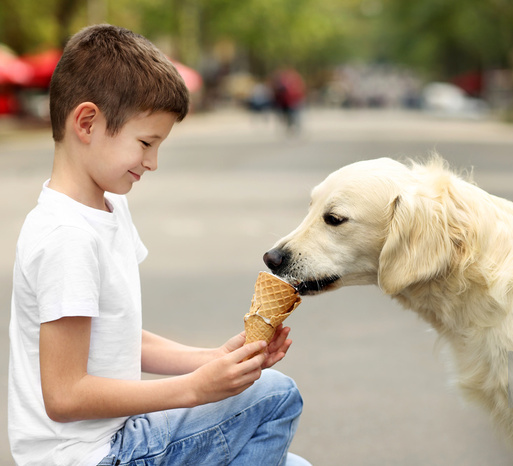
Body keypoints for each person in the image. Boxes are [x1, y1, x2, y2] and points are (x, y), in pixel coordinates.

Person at [8, 24, 310, 466]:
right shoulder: (66, 238)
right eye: (146, 143)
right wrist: (194, 389)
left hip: (118, 437)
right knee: (276, 394)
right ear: (87, 122)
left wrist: (214, 360)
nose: (152, 162)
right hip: (90, 455)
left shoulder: (109, 209)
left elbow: (119, 337)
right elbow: (64, 395)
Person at [271, 67, 306, 135]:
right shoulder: (284, 81)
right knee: (290, 115)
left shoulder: (293, 80)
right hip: (287, 101)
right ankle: (291, 126)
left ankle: (294, 126)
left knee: (294, 115)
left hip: (293, 100)